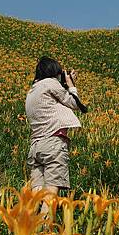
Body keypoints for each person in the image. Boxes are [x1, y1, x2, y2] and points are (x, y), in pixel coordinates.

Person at [25, 56, 84, 215]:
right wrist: (71, 84)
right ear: (54, 72)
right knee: (51, 189)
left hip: (36, 147)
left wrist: (64, 82)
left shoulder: (32, 90)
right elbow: (74, 103)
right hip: (53, 144)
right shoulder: (51, 83)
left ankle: (29, 228)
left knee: (37, 193)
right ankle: (44, 231)